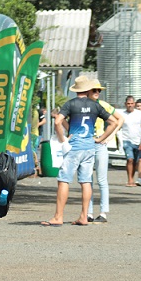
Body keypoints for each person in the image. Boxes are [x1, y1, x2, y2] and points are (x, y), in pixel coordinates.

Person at [42, 76, 117, 227]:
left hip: (74, 147)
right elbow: (114, 122)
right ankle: (84, 216)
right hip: (89, 146)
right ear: (88, 89)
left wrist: (63, 140)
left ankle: (58, 216)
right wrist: (101, 138)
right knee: (86, 181)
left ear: (76, 90)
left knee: (64, 179)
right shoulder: (95, 105)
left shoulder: (71, 104)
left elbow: (57, 121)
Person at [87, 88, 124, 224]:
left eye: (98, 90)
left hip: (100, 143)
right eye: (94, 90)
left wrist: (109, 136)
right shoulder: (82, 104)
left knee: (102, 180)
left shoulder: (104, 105)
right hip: (86, 144)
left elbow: (119, 119)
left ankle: (103, 213)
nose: (97, 92)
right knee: (87, 180)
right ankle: (88, 212)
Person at [120, 96, 141, 187]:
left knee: (135, 161)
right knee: (130, 159)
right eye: (128, 104)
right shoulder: (122, 114)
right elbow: (117, 127)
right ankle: (130, 180)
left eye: (131, 104)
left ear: (134, 104)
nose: (130, 105)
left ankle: (132, 177)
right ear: (125, 104)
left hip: (137, 140)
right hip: (126, 140)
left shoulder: (140, 114)